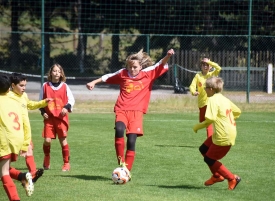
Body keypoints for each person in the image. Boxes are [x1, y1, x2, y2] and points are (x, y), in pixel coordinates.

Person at [86, 49, 175, 179]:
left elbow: (160, 64)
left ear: (140, 67)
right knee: (119, 130)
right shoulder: (123, 73)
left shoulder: (147, 74)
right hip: (122, 109)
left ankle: (126, 170)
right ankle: (121, 163)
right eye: (130, 67)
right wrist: (93, 82)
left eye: (135, 67)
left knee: (132, 141)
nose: (132, 69)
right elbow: (108, 76)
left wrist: (168, 56)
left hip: (137, 112)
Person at [193, 76, 241, 190]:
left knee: (209, 159)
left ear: (211, 89)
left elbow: (210, 119)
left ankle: (232, 178)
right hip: (225, 132)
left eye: (205, 87)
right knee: (203, 150)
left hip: (223, 136)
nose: (204, 89)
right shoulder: (224, 99)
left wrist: (197, 126)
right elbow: (238, 112)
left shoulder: (212, 100)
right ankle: (216, 176)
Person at [8, 73, 52, 183]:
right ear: (13, 85)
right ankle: (6, 173)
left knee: (29, 151)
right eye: (21, 85)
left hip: (24, 131)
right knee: (7, 157)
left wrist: (43, 103)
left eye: (25, 85)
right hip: (12, 132)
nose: (24, 88)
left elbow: (30, 105)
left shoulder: (24, 96)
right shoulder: (8, 96)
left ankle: (33, 174)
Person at [0, 74, 34, 200]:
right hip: (16, 138)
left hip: (4, 140)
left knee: (3, 172)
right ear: (9, 87)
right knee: (3, 169)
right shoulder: (15, 101)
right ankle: (22, 176)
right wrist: (25, 143)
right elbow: (26, 123)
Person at [39, 64, 75, 171]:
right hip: (49, 118)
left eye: (58, 71)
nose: (56, 73)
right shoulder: (45, 86)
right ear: (50, 73)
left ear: (61, 74)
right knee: (47, 140)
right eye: (54, 71)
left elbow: (71, 100)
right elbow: (40, 101)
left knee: (63, 141)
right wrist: (42, 112)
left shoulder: (65, 86)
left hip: (61, 118)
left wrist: (66, 107)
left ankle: (66, 163)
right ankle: (47, 157)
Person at [189, 58, 222, 138]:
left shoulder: (212, 75)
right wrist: (194, 92)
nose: (205, 66)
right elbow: (192, 85)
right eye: (204, 65)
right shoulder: (198, 76)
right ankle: (214, 137)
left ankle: (210, 141)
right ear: (201, 66)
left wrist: (209, 62)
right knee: (202, 122)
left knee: (208, 123)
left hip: (210, 103)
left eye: (207, 65)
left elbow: (219, 68)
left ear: (210, 67)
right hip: (201, 103)